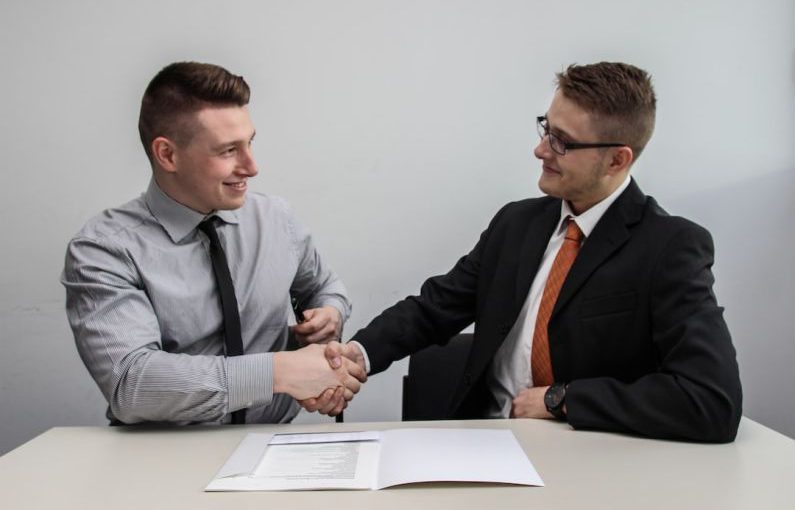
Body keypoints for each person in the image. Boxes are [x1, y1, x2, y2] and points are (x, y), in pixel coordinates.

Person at [327, 62, 742, 442]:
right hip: (483, 445)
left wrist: (560, 399)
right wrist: (355, 357)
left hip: (589, 461)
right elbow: (433, 308)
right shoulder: (516, 224)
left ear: (617, 159)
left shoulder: (669, 247)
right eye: (546, 129)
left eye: (563, 142)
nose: (541, 150)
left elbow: (711, 400)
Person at [62, 61, 364, 425]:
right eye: (228, 151)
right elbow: (132, 385)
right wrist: (277, 371)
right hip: (160, 457)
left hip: (275, 444)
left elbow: (324, 288)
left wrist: (328, 315)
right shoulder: (103, 250)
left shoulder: (276, 219)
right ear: (167, 155)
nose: (252, 167)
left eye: (250, 143)